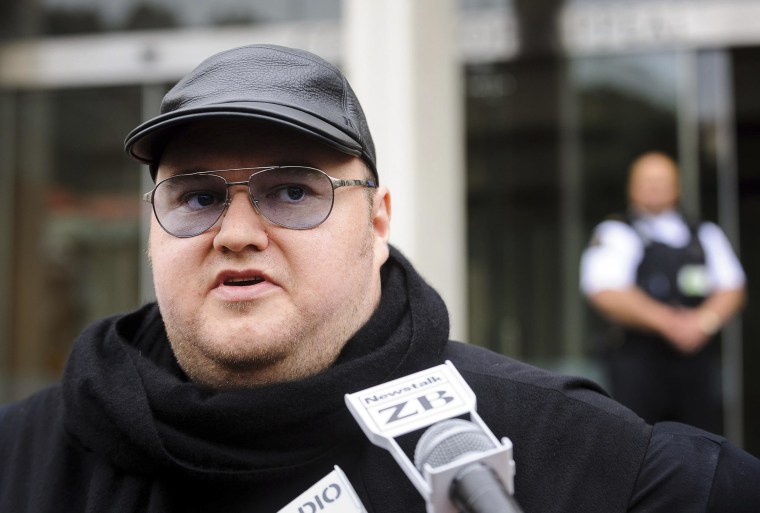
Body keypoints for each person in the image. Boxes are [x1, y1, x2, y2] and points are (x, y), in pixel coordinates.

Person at [0, 45, 757, 513]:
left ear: (379, 223)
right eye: (196, 197)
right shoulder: (26, 458)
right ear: (151, 232)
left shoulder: (574, 455)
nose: (235, 233)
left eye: (292, 191)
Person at [580, 151, 746, 433]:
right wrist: (669, 323)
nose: (654, 187)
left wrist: (703, 322)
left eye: (662, 180)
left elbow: (733, 287)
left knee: (701, 446)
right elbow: (605, 291)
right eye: (647, 180)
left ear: (678, 186)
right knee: (638, 445)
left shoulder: (704, 233)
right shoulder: (615, 232)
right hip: (637, 364)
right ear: (631, 187)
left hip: (694, 365)